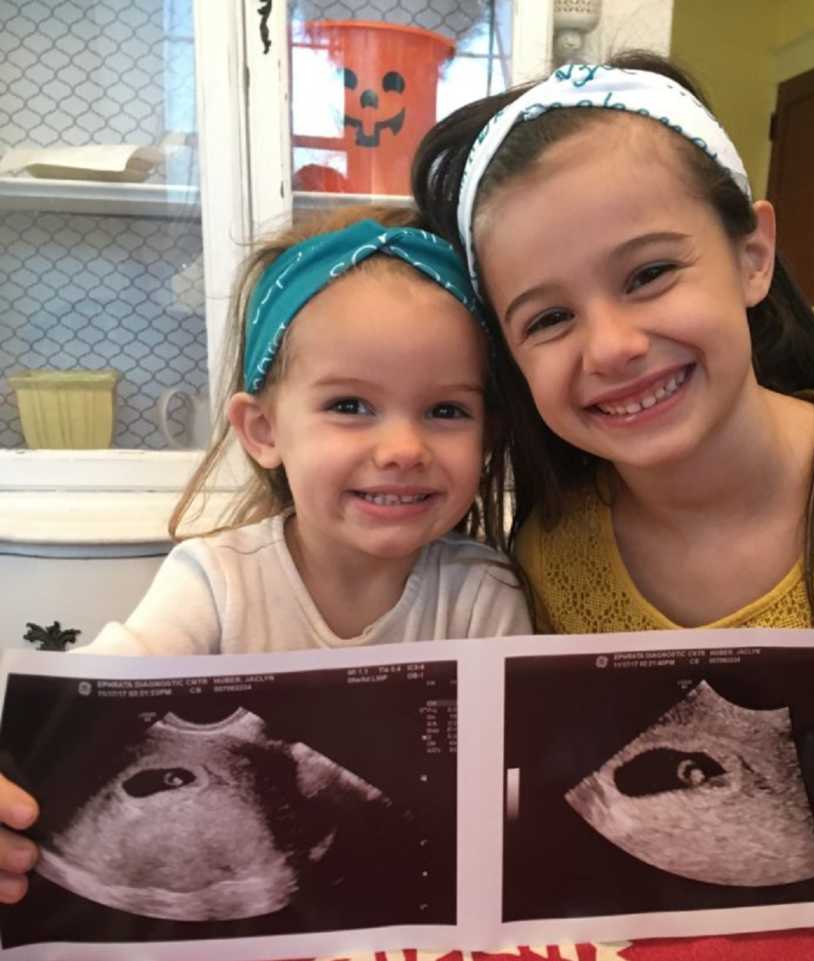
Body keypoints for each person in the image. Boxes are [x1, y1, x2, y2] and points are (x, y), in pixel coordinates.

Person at [411, 50, 814, 903]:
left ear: (753, 255)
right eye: (550, 317)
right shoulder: (548, 560)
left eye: (648, 274)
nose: (612, 347)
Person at [0, 204, 531, 903]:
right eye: (350, 405)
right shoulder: (215, 580)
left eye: (445, 410)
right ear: (262, 429)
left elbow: (519, 793)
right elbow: (89, 700)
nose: (404, 449)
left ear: (486, 435)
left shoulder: (482, 594)